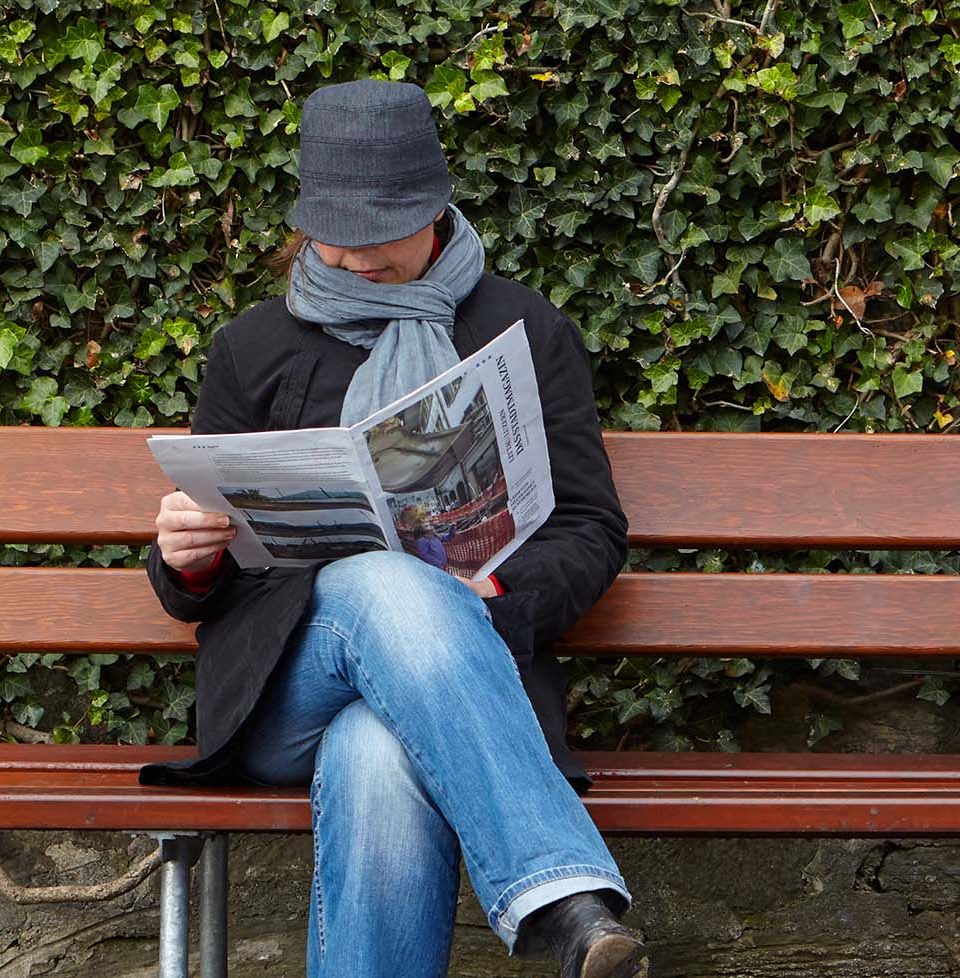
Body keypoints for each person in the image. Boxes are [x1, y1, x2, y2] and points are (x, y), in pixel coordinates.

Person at [141, 79, 645, 978]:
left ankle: (559, 902)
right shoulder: (254, 346)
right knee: (382, 579)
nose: (352, 254)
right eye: (332, 231)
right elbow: (204, 585)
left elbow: (591, 529)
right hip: (280, 687)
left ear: (436, 210)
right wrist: (186, 558)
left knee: (378, 749)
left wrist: (492, 595)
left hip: (463, 672)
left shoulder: (523, 331)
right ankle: (563, 896)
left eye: (380, 231)